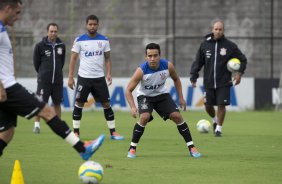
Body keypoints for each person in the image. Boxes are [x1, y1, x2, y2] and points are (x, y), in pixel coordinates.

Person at [0, 0, 104, 161]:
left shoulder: (3, 29)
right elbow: (36, 62)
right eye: (17, 12)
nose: (18, 17)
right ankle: (82, 148)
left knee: (7, 132)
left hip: (8, 87)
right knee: (46, 110)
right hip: (6, 87)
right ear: (7, 9)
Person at [125, 43, 201, 158]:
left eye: (155, 55)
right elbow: (128, 90)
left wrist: (181, 97)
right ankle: (132, 148)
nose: (152, 59)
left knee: (177, 116)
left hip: (162, 95)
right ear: (146, 57)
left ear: (160, 56)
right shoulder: (141, 70)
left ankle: (192, 147)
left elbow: (176, 79)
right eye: (149, 56)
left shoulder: (168, 66)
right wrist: (133, 107)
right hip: (145, 97)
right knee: (144, 117)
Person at [68, 14, 124, 140]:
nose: (92, 26)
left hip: (99, 78)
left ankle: (113, 133)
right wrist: (70, 77)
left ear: (98, 25)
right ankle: (76, 132)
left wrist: (109, 73)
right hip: (84, 77)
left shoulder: (104, 40)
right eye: (90, 24)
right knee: (79, 103)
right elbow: (73, 59)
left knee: (106, 103)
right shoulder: (79, 40)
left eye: (94, 24)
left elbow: (108, 58)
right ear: (86, 25)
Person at [190, 20, 247, 137]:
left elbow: (243, 59)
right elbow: (198, 62)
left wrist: (239, 73)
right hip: (209, 81)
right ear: (212, 30)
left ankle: (218, 130)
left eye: (220, 29)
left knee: (221, 105)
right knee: (207, 105)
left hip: (224, 81)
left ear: (223, 31)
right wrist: (193, 76)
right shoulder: (205, 45)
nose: (218, 31)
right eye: (216, 29)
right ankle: (215, 119)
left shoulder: (230, 46)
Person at [33, 22, 65, 134]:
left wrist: (57, 73)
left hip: (57, 81)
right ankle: (37, 125)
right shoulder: (40, 46)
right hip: (44, 81)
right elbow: (36, 64)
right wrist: (43, 74)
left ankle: (59, 127)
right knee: (41, 103)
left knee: (57, 103)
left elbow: (62, 62)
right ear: (47, 32)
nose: (53, 33)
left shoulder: (61, 45)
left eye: (55, 31)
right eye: (51, 31)